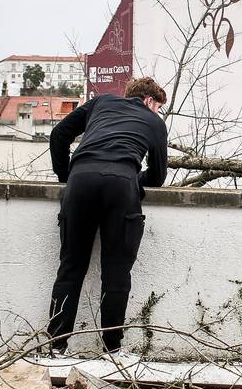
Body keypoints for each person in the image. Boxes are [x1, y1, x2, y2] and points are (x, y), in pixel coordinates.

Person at [46, 77, 169, 358]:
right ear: (150, 101)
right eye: (158, 108)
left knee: (70, 267)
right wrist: (132, 178)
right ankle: (112, 350)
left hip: (80, 181)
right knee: (116, 273)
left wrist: (67, 176)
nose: (158, 113)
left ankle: (54, 347)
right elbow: (158, 176)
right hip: (121, 185)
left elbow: (59, 135)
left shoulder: (100, 102)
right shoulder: (153, 122)